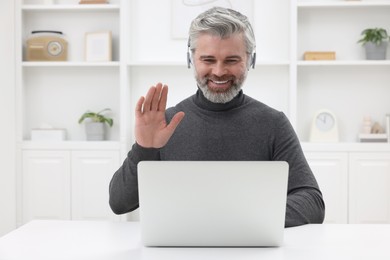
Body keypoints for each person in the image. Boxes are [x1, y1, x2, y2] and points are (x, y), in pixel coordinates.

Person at [109, 6, 325, 227]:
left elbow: (312, 203)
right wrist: (145, 148)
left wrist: (238, 219)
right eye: (208, 60)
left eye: (231, 60)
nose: (219, 71)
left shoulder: (273, 124)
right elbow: (119, 204)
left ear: (251, 60)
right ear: (191, 59)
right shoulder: (165, 124)